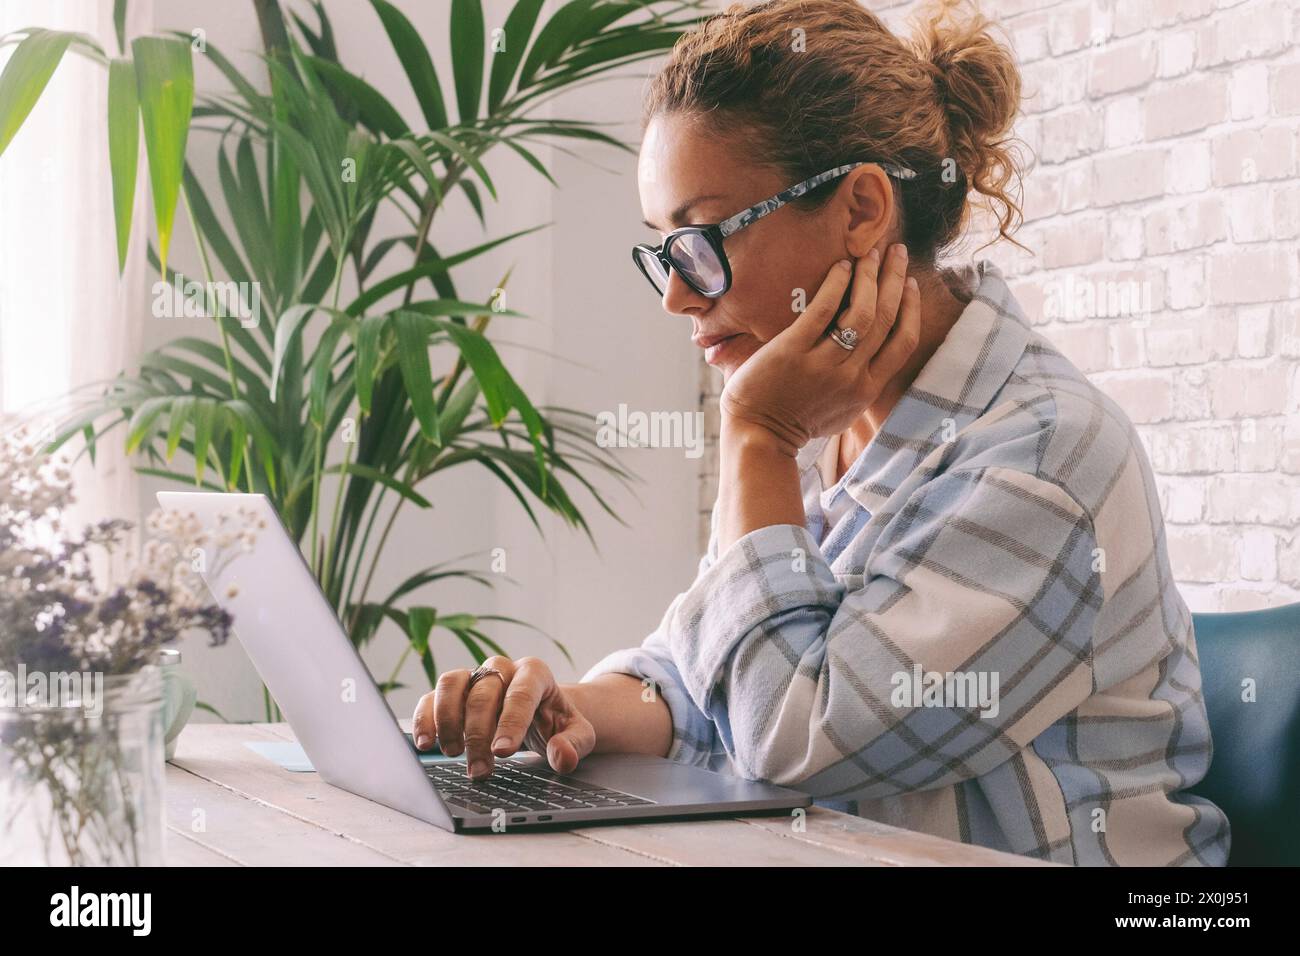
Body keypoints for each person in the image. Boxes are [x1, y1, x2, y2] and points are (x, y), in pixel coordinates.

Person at [412, 0, 1230, 866]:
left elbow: (794, 737)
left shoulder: (1045, 457)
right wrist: (573, 709)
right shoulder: (821, 423)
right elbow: (711, 674)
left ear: (861, 208)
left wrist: (755, 438)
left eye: (699, 242)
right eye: (663, 251)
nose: (676, 297)